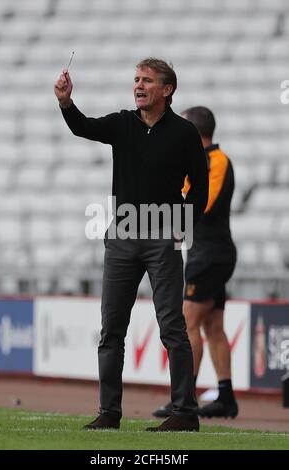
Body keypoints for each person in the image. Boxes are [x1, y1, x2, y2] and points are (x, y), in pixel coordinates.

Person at [54, 59, 208, 431]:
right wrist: (65, 102)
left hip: (163, 239)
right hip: (122, 236)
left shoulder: (184, 133)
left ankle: (185, 413)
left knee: (172, 327)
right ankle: (109, 412)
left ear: (167, 90)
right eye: (136, 79)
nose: (138, 85)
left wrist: (181, 226)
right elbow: (84, 127)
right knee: (112, 329)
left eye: (147, 80)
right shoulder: (122, 123)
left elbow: (200, 188)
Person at [153, 106, 238, 419]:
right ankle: (225, 396)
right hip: (206, 253)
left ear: (195, 131)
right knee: (213, 326)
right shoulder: (197, 161)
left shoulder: (216, 161)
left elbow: (202, 204)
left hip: (211, 255)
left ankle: (183, 399)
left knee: (188, 324)